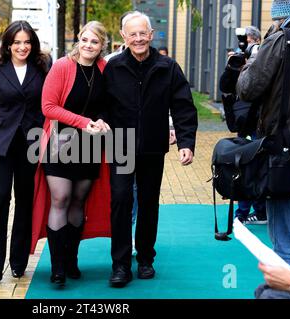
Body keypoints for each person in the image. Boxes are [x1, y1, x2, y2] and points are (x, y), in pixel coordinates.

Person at [103, 11, 198, 287]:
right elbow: (101, 106)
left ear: (151, 35)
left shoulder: (168, 67)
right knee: (120, 201)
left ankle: (145, 258)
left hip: (153, 147)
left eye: (143, 33)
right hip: (120, 145)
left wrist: (186, 143)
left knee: (147, 203)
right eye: (132, 34)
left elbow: (183, 107)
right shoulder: (113, 67)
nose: (138, 38)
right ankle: (120, 265)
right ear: (124, 37)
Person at [30, 21, 111, 287]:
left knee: (78, 201)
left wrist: (101, 121)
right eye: (85, 40)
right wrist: (82, 122)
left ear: (102, 46)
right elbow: (48, 106)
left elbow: (109, 105)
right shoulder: (62, 66)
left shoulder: (104, 69)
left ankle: (71, 259)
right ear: (79, 40)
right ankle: (57, 267)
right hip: (60, 142)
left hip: (90, 146)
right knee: (61, 198)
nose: (89, 45)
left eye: (95, 42)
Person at [0, 20, 49, 284]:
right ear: (8, 44)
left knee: (25, 201)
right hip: (1, 142)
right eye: (17, 42)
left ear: (32, 44)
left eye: (27, 42)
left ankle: (18, 261)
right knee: (1, 197)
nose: (22, 47)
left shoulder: (42, 68)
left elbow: (51, 102)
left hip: (31, 143)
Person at [237, 0, 290, 285]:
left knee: (288, 249)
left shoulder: (284, 41)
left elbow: (247, 88)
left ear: (280, 16)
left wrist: (253, 59)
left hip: (289, 161)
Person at [220, 26, 267, 225]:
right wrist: (232, 67)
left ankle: (255, 211)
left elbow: (257, 88)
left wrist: (252, 64)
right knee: (243, 166)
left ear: (257, 43)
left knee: (254, 168)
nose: (246, 49)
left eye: (249, 44)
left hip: (259, 123)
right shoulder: (238, 62)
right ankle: (244, 211)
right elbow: (225, 88)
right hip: (243, 123)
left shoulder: (264, 62)